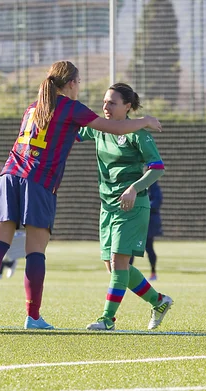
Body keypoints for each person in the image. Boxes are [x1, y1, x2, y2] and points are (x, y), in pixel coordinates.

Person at [0, 60, 162, 331]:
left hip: (9, 176)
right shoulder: (69, 107)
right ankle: (33, 317)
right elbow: (112, 127)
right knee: (35, 251)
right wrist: (145, 120)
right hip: (39, 181)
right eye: (79, 82)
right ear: (71, 83)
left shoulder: (34, 106)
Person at [77, 82, 172, 331]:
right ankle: (159, 301)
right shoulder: (98, 129)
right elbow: (72, 133)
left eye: (112, 103)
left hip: (132, 205)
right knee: (113, 267)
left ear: (127, 106)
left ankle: (107, 320)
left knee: (119, 264)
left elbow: (157, 168)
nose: (105, 106)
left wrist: (134, 189)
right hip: (107, 205)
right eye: (105, 101)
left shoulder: (138, 133)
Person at [129, 180, 163, 281]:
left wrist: (142, 206)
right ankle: (126, 272)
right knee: (131, 248)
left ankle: (153, 272)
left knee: (149, 247)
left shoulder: (153, 185)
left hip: (149, 222)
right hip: (136, 221)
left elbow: (157, 201)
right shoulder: (134, 184)